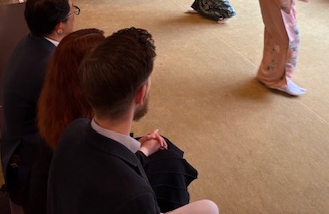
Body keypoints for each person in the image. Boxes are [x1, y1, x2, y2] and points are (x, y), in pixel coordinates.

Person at [47, 28, 219, 214]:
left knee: (170, 159)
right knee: (209, 208)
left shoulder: (74, 130)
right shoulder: (136, 196)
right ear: (140, 94)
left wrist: (142, 149)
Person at [0, 0, 78, 210]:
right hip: (30, 169)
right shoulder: (47, 66)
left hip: (16, 142)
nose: (75, 14)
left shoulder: (32, 42)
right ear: (59, 26)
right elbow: (68, 121)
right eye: (73, 11)